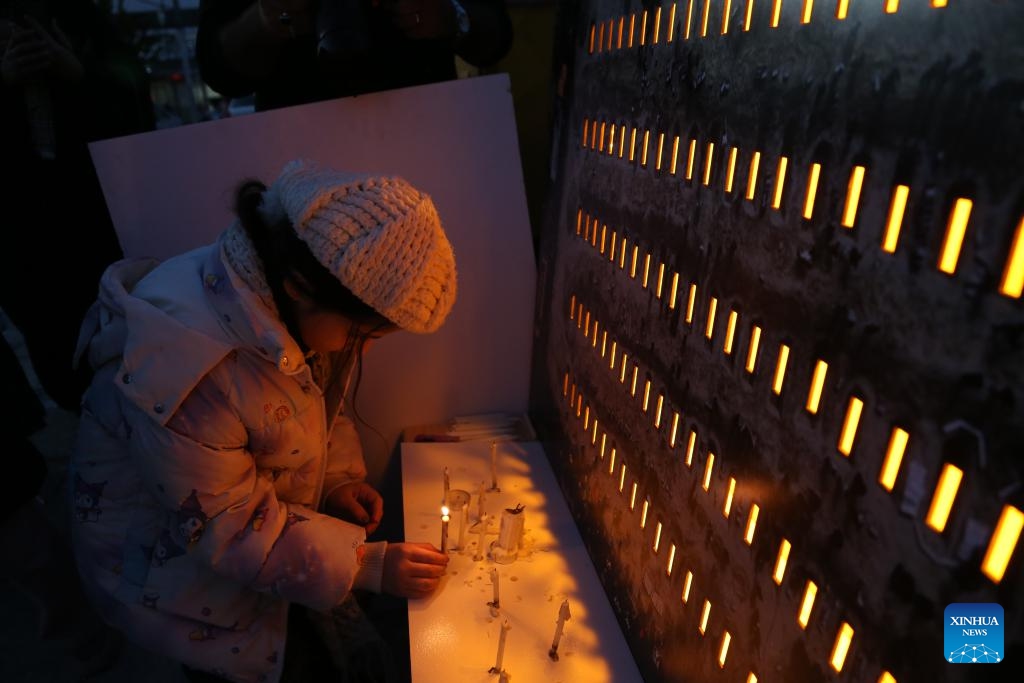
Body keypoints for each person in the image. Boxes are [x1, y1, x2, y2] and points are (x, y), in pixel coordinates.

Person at [70, 160, 456, 682]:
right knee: (256, 664)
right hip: (176, 572)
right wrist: (366, 563)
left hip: (240, 536)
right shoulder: (192, 373)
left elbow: (315, 403)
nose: (357, 349)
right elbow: (227, 526)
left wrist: (338, 482)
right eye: (360, 334)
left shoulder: (271, 298)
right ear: (300, 285)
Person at [0, 0, 154, 412]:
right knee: (61, 361)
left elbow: (135, 107)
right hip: (25, 231)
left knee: (130, 346)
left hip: (101, 217)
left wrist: (78, 74)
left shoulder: (89, 23)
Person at [196, 0, 513, 110]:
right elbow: (216, 67)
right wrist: (265, 20)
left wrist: (450, 17)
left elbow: (496, 36)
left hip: (431, 139)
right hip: (294, 167)